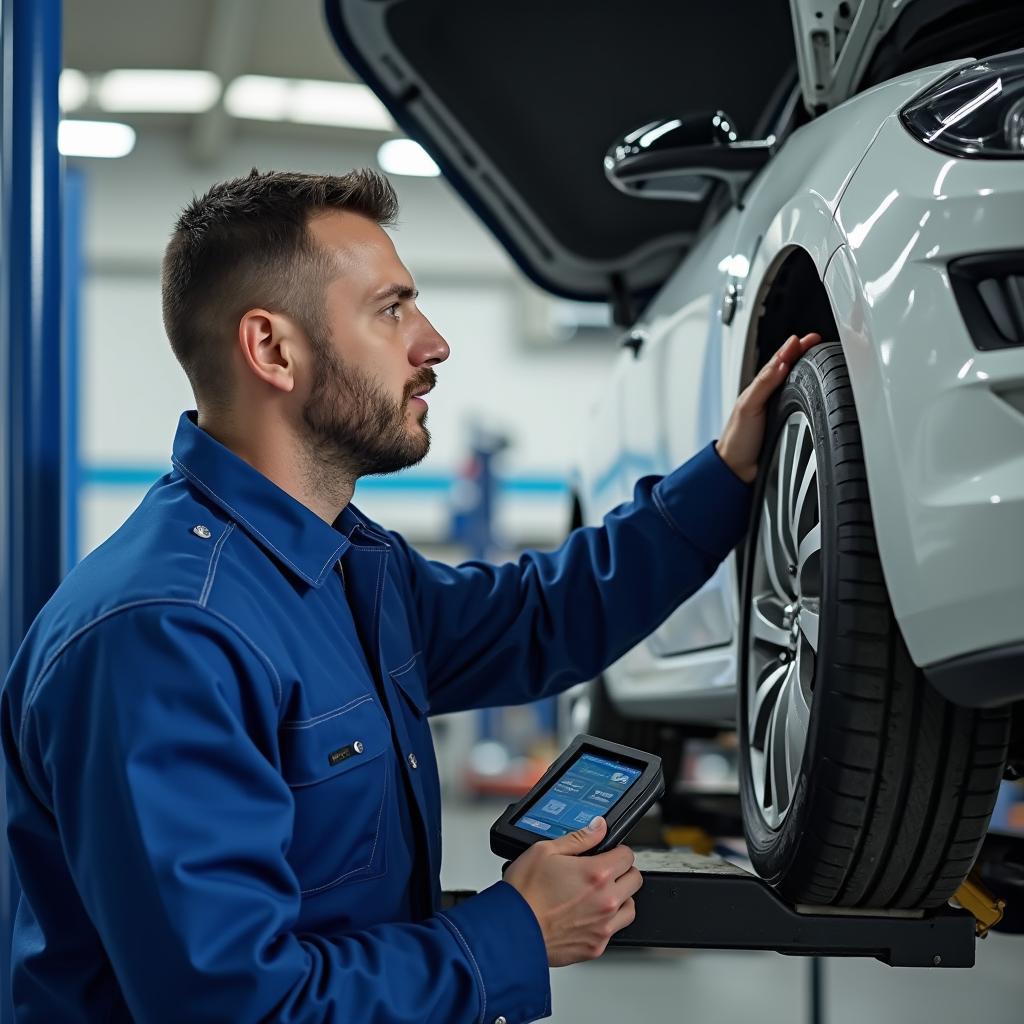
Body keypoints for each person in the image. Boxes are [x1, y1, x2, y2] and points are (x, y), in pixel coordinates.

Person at [1, 168, 820, 1023]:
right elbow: (237, 1006)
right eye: (391, 310)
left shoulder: (351, 565)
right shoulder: (165, 636)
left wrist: (724, 477)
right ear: (273, 349)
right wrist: (517, 933)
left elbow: (540, 618)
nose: (432, 343)